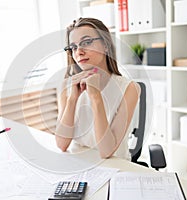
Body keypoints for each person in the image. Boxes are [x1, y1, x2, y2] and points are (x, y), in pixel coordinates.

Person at [55, 17, 140, 160]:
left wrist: (96, 97)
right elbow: (61, 144)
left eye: (86, 42)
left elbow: (107, 151)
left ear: (106, 45)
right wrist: (73, 98)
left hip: (115, 166)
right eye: (74, 47)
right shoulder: (67, 86)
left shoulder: (129, 88)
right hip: (79, 163)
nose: (79, 52)